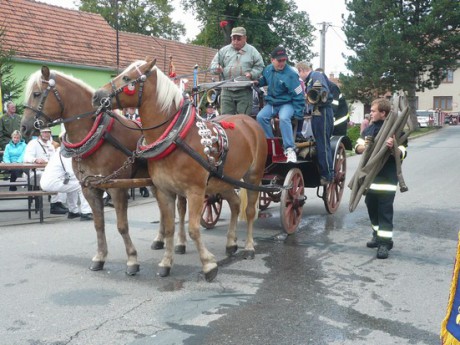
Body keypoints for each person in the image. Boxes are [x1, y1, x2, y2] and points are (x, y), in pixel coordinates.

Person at [354, 98, 408, 259]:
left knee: (384, 211)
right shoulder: (369, 130)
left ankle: (385, 243)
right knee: (371, 207)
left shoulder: (397, 132)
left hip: (387, 179)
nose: (370, 113)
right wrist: (367, 146)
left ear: (383, 113)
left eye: (373, 111)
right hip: (370, 179)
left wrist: (393, 147)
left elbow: (403, 153)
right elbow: (358, 147)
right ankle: (377, 235)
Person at [256, 46, 305, 163]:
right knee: (260, 117)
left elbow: (299, 94)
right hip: (273, 103)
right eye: (279, 60)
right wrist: (258, 82)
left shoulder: (291, 75)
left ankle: (289, 149)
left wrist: (298, 112)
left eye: (284, 60)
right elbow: (264, 80)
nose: (282, 63)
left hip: (287, 103)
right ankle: (272, 143)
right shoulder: (268, 70)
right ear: (272, 60)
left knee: (284, 118)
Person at [210, 26, 264, 116]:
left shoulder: (253, 51)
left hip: (244, 91)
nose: (235, 41)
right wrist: (217, 68)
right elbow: (213, 66)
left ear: (245, 38)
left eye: (238, 39)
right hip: (226, 90)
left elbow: (260, 66)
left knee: (243, 119)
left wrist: (252, 74)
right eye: (233, 38)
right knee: (225, 119)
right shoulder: (223, 51)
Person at [296, 61, 334, 185]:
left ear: (302, 70)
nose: (299, 75)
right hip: (318, 113)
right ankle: (325, 172)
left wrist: (310, 98)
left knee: (322, 144)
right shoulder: (312, 78)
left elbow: (322, 94)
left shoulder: (316, 75)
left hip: (322, 112)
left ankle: (327, 174)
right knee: (321, 143)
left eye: (298, 72)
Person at [40, 144, 93, 221]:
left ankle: (73, 212)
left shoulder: (59, 152)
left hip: (49, 182)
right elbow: (71, 172)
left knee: (73, 185)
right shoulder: (65, 155)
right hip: (52, 183)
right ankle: (86, 212)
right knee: (84, 185)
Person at [23, 127, 68, 214]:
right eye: (44, 132)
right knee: (54, 180)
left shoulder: (50, 145)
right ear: (40, 134)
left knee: (64, 178)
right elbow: (26, 158)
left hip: (48, 171)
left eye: (48, 132)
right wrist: (35, 160)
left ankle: (58, 203)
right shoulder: (33, 143)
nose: (47, 134)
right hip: (35, 172)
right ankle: (54, 205)